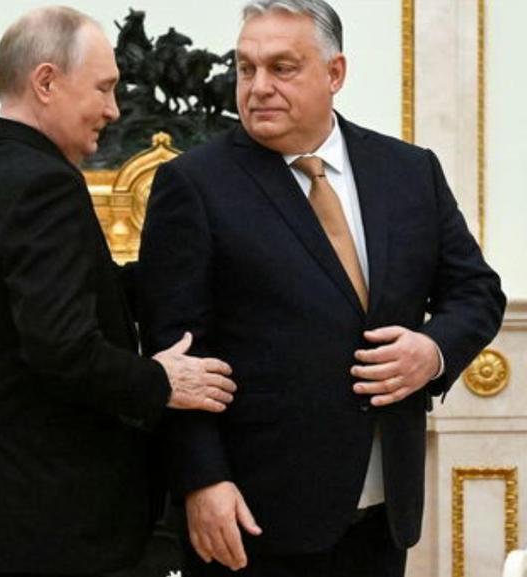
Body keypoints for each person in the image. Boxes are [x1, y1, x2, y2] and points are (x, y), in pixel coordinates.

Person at [139, 1, 506, 576]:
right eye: (246, 68)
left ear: (335, 73)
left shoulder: (409, 171)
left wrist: (432, 351)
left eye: (282, 68)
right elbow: (177, 353)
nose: (258, 87)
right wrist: (201, 480)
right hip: (254, 518)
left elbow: (477, 292)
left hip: (384, 515)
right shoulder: (193, 184)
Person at [0, 7, 237, 577]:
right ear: (46, 82)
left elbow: (75, 295)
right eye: (104, 88)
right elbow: (63, 348)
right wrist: (163, 381)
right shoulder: (43, 183)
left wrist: (185, 270)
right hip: (40, 519)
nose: (114, 109)